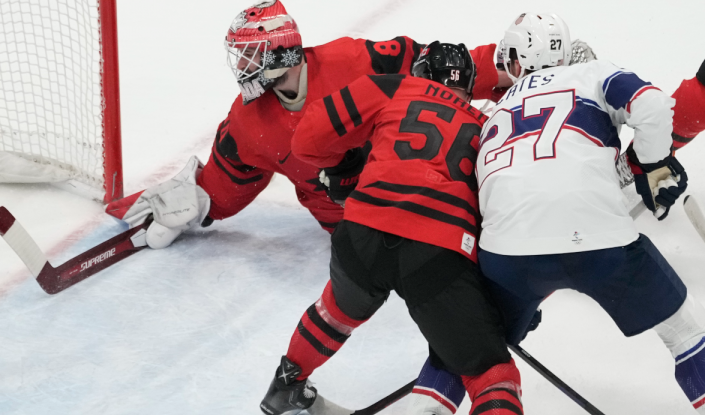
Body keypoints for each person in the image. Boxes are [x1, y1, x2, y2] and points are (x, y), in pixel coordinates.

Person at [256, 42, 526, 415]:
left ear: (419, 72)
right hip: (438, 251)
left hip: (361, 233)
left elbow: (307, 140)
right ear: (469, 86)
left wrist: (346, 167)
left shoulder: (393, 86)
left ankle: (285, 384)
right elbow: (500, 211)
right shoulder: (490, 128)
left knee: (335, 313)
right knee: (491, 375)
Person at [104, 0, 512, 248]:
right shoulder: (249, 121)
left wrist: (513, 69)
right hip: (356, 231)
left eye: (249, 55)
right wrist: (198, 204)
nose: (241, 67)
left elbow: (445, 67)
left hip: (415, 194)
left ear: (278, 51)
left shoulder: (352, 62)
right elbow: (231, 181)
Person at [466, 12, 705, 415]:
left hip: (507, 254)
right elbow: (652, 106)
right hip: (597, 242)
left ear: (516, 59)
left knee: (466, 343)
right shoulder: (591, 75)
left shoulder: (493, 112)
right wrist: (655, 164)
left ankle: (426, 410)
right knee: (684, 335)